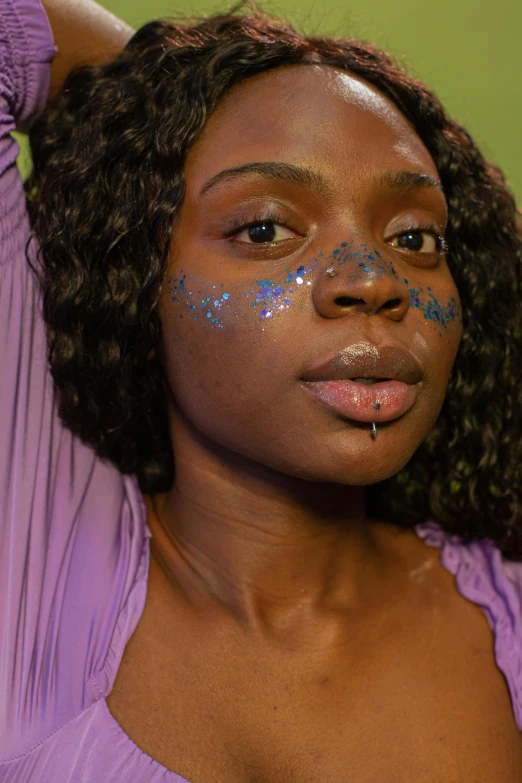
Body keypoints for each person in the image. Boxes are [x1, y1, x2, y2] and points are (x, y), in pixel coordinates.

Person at [1, 0, 521, 779]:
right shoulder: (37, 564)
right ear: (136, 279)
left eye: (414, 238)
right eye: (266, 229)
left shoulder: (509, 613)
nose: (374, 282)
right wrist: (157, 96)